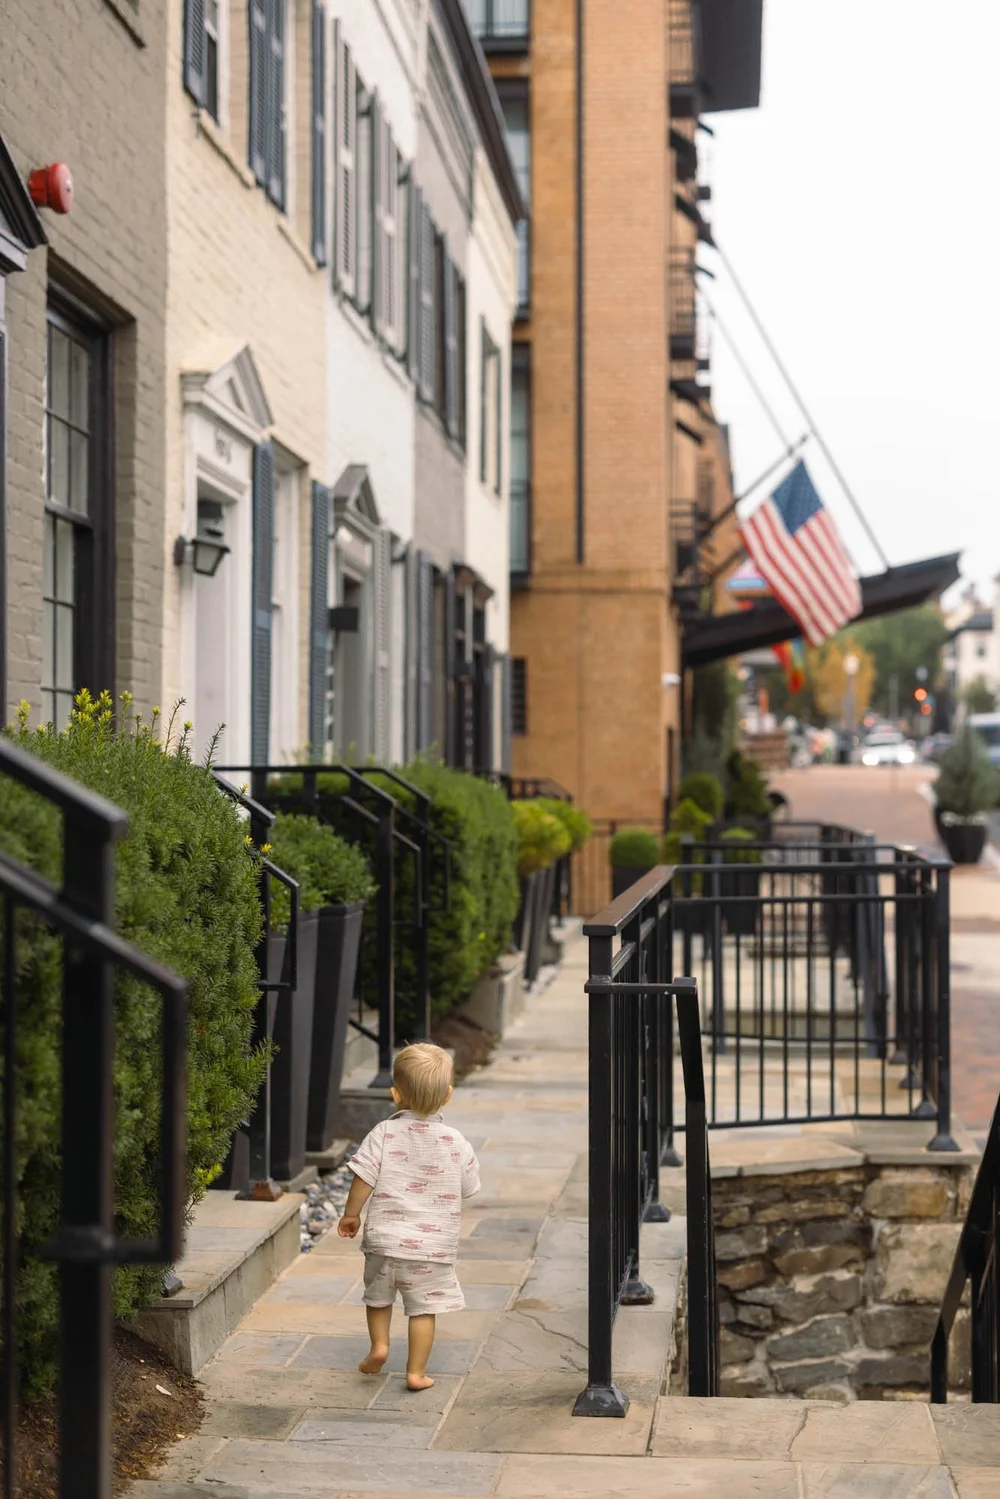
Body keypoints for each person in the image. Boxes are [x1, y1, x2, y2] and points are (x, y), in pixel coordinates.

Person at [337, 1042, 481, 1390]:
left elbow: (363, 1178)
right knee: (422, 1310)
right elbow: (469, 1187)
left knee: (378, 1297)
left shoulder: (383, 1133)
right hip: (431, 1249)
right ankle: (416, 1372)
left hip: (385, 1242)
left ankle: (380, 1347)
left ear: (395, 1094)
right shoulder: (455, 1141)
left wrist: (350, 1215)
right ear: (447, 1095)